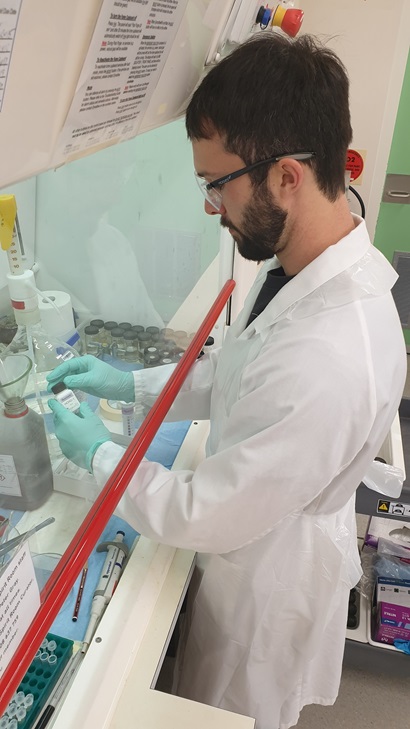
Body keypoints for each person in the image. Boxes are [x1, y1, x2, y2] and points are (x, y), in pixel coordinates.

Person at [47, 33, 407, 729]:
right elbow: (241, 374)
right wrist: (131, 387)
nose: (210, 207)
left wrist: (97, 454)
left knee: (229, 711)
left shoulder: (332, 356)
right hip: (256, 536)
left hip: (265, 586)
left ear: (287, 176)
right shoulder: (303, 265)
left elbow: (204, 512)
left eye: (216, 183)